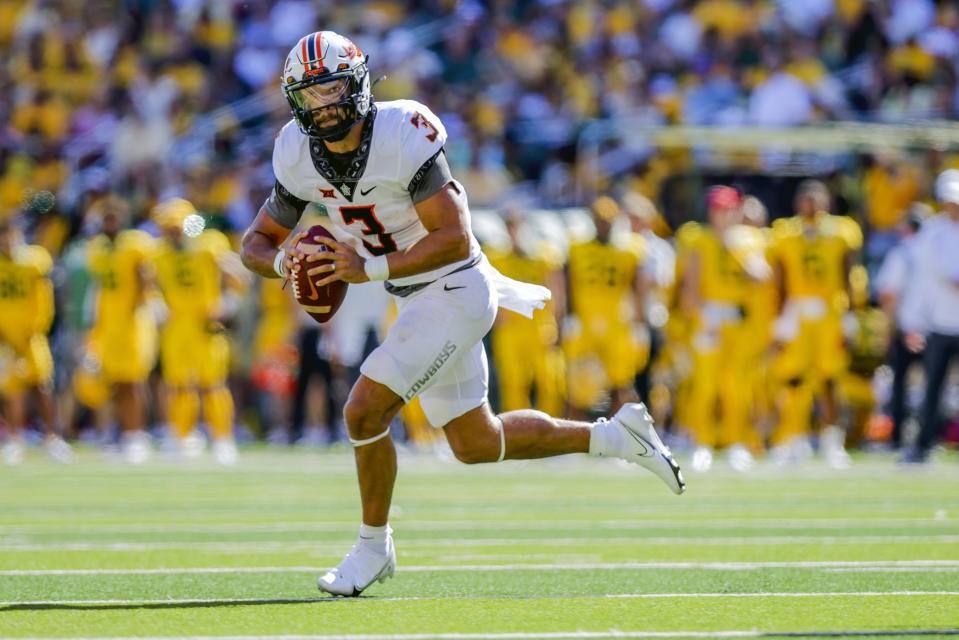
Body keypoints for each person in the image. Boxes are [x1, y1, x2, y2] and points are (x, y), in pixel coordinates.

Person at [240, 31, 685, 597]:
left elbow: (453, 238)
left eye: (330, 90)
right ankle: (618, 436)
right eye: (309, 96)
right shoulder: (296, 154)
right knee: (477, 442)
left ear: (357, 85)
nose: (322, 107)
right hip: (413, 296)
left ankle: (373, 547)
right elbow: (254, 242)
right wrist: (286, 262)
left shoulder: (403, 132)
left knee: (363, 410)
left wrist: (365, 268)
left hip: (455, 286)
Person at [767, 179, 862, 468]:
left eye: (815, 198)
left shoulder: (842, 231)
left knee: (830, 380)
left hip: (829, 311)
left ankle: (833, 440)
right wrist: (780, 318)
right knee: (793, 379)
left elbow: (849, 273)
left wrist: (850, 315)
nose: (810, 204)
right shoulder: (785, 232)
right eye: (805, 198)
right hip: (797, 311)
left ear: (826, 202)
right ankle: (794, 438)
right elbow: (781, 277)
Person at [152, 198, 247, 464]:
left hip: (206, 323)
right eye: (167, 227)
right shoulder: (158, 252)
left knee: (212, 384)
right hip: (177, 324)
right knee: (179, 385)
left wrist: (229, 303)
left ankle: (222, 439)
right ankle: (180, 436)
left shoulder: (210, 244)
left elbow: (238, 274)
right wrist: (155, 303)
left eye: (174, 226)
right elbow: (148, 282)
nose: (171, 231)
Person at [75, 194, 158, 464]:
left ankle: (136, 435)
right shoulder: (97, 248)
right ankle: (116, 433)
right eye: (105, 218)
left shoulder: (135, 244)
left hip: (133, 322)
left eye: (113, 218)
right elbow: (99, 287)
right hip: (108, 323)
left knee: (133, 382)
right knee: (110, 382)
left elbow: (147, 280)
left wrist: (149, 306)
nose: (109, 223)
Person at [563, 197, 648, 418]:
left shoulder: (630, 249)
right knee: (577, 382)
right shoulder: (577, 248)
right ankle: (574, 433)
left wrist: (640, 323)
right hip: (585, 320)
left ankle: (618, 431)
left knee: (620, 381)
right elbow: (568, 283)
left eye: (608, 220)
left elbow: (636, 287)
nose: (604, 225)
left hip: (616, 321)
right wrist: (568, 316)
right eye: (600, 220)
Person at [0, 211, 72, 464]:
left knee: (42, 385)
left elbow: (44, 297)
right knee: (11, 390)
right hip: (6, 339)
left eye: (11, 235)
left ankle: (52, 437)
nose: (7, 241)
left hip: (32, 336)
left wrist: (37, 327)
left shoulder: (34, 259)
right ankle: (15, 439)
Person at [900, 170, 959, 463]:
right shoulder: (932, 233)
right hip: (939, 324)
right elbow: (921, 282)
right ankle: (922, 446)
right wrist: (914, 322)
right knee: (932, 388)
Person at [875, 205, 927, 450]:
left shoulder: (902, 253)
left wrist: (886, 327)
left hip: (908, 328)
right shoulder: (934, 250)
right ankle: (928, 437)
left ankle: (899, 439)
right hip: (938, 328)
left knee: (901, 385)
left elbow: (889, 294)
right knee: (933, 385)